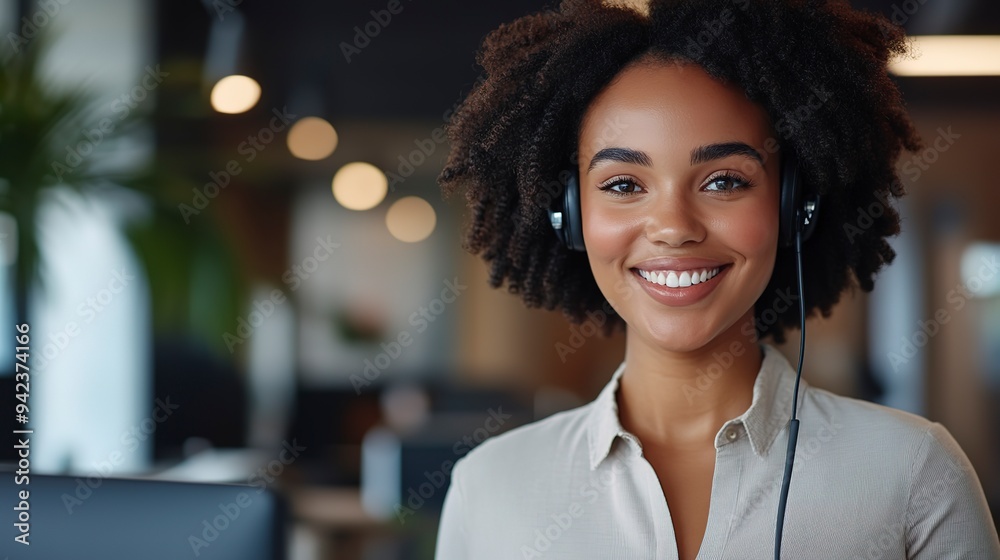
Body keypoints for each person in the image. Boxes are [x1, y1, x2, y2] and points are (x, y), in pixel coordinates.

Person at [433, 0, 1000, 558]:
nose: (674, 228)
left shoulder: (912, 471)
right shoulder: (491, 486)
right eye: (624, 185)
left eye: (725, 181)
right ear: (570, 216)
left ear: (793, 205)